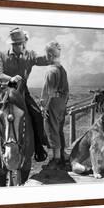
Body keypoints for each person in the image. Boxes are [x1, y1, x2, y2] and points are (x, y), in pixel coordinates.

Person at [0, 27, 49, 166]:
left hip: (22, 93)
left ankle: (39, 145)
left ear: (24, 42)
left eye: (20, 43)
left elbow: (42, 59)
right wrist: (10, 79)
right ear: (11, 44)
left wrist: (53, 55)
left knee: (36, 114)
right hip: (3, 92)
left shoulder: (30, 55)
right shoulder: (2, 55)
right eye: (15, 43)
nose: (17, 46)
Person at [40, 41, 69, 170]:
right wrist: (64, 103)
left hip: (53, 101)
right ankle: (62, 155)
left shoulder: (51, 71)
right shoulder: (62, 69)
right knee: (59, 129)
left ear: (51, 55)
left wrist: (43, 105)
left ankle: (56, 159)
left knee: (52, 129)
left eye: (47, 55)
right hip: (62, 101)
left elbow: (47, 91)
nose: (46, 58)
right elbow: (67, 90)